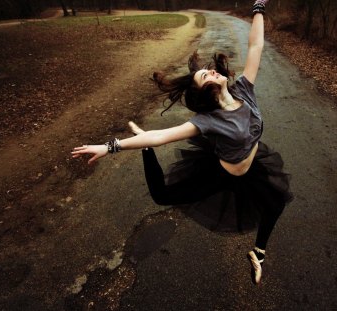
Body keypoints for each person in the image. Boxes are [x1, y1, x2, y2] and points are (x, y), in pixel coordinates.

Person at [72, 0, 293, 285]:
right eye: (206, 75)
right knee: (162, 196)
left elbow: (255, 46)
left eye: (210, 70)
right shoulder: (208, 120)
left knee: (275, 205)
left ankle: (258, 252)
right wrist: (109, 147)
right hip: (221, 172)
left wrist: (259, 7)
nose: (213, 71)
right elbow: (161, 135)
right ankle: (144, 149)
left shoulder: (244, 90)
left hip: (251, 166)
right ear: (206, 93)